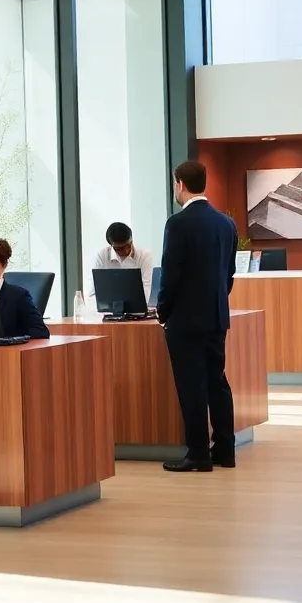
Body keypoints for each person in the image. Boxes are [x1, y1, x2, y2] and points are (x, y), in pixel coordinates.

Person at [155, 160, 238, 473]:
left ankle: (199, 454)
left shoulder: (177, 224)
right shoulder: (226, 223)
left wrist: (163, 310)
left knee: (191, 386)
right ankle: (226, 450)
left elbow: (171, 276)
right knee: (217, 382)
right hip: (217, 317)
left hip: (185, 321)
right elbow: (228, 275)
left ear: (180, 184)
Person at [0, 236, 49, 339]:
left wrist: (12, 342)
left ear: (4, 265)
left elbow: (40, 333)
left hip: (7, 353)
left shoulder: (18, 296)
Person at [91, 222, 156, 304]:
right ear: (111, 246)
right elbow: (92, 293)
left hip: (136, 310)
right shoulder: (102, 256)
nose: (126, 251)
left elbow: (145, 289)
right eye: (119, 249)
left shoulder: (144, 255)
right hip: (108, 310)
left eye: (128, 245)